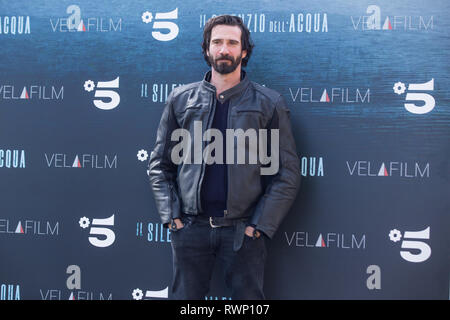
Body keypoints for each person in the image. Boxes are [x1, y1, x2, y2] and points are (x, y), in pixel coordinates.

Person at [148, 15, 300, 300]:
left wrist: (259, 226)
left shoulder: (269, 103)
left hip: (243, 232)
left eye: (232, 42)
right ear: (207, 49)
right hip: (190, 228)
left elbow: (287, 173)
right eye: (217, 42)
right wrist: (172, 218)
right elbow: (160, 165)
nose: (224, 49)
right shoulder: (181, 99)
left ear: (244, 51)